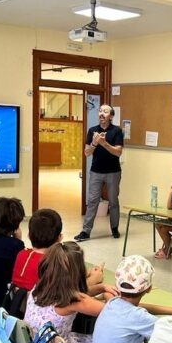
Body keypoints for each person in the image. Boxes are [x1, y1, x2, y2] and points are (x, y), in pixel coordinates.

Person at [24, 242, 107, 343]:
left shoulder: (40, 288)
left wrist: (102, 287)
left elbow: (77, 292)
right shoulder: (73, 301)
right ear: (79, 272)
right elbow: (113, 312)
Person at [76, 104, 124, 242]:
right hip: (96, 171)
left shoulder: (117, 131)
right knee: (92, 201)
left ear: (111, 116)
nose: (102, 114)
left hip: (113, 172)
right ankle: (86, 231)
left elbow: (118, 152)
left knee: (113, 201)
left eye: (106, 111)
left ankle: (114, 228)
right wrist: (95, 143)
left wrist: (104, 143)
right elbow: (87, 153)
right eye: (100, 111)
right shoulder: (92, 131)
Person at [11, 208, 63, 291]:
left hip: (19, 301)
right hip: (45, 301)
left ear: (29, 236)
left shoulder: (21, 254)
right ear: (59, 238)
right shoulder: (57, 262)